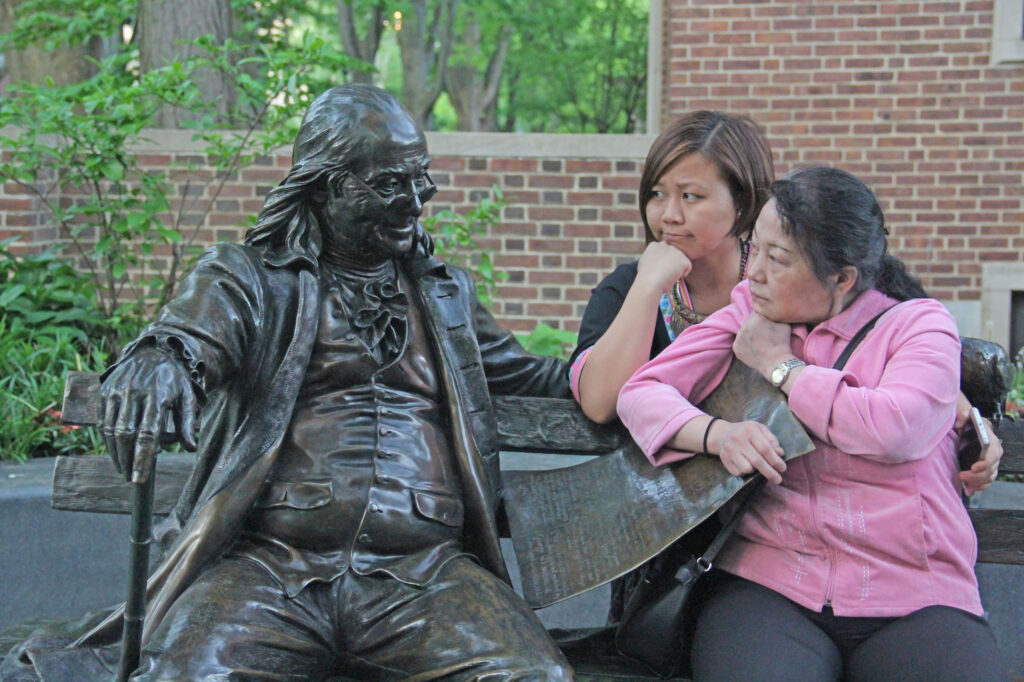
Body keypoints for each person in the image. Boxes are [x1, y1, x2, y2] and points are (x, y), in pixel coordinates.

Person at [30, 84, 574, 681]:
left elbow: (541, 377)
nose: (415, 202)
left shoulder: (445, 294)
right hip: (269, 571)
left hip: (426, 577)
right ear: (324, 187)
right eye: (389, 183)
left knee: (535, 677)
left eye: (421, 179)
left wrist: (660, 359)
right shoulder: (254, 279)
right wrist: (161, 359)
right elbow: (192, 335)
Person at [616, 167, 1009, 681]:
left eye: (776, 260)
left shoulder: (919, 325)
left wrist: (785, 370)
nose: (753, 272)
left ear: (842, 278)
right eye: (753, 249)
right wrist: (718, 434)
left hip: (915, 591)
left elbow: (894, 429)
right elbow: (642, 392)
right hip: (771, 583)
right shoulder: (750, 314)